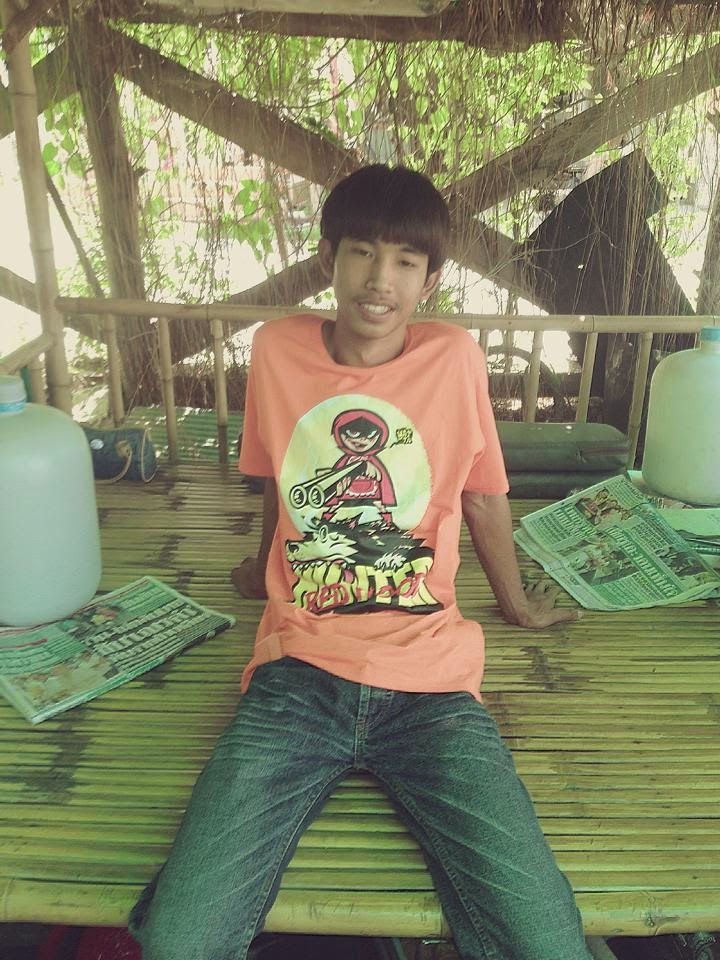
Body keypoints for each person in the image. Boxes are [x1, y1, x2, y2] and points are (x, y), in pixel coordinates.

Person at [129, 164, 590, 960]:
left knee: (545, 939)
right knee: (180, 937)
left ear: (430, 280)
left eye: (406, 261)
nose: (381, 280)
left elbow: (483, 493)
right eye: (362, 253)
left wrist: (516, 605)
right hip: (296, 680)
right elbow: (280, 480)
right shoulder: (277, 349)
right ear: (329, 259)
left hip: (432, 689)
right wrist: (260, 566)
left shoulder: (453, 358)